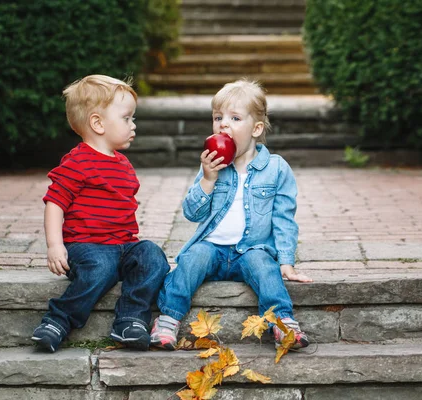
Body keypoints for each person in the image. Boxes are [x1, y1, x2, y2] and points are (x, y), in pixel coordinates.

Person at [150, 79, 313, 350]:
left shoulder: (276, 168)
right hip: (212, 248)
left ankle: (283, 323)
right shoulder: (212, 166)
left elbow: (284, 219)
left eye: (234, 118)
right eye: (217, 118)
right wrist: (208, 179)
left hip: (252, 249)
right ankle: (168, 319)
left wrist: (286, 261)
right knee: (191, 260)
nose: (223, 124)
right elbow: (192, 212)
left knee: (265, 267)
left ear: (256, 129)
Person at [31, 75, 170, 353]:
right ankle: (58, 320)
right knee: (101, 269)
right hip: (87, 247)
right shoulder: (77, 161)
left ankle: (130, 320)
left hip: (122, 245)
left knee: (153, 256)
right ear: (98, 123)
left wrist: (130, 240)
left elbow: (121, 207)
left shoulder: (124, 164)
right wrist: (55, 245)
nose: (134, 125)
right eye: (127, 118)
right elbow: (55, 203)